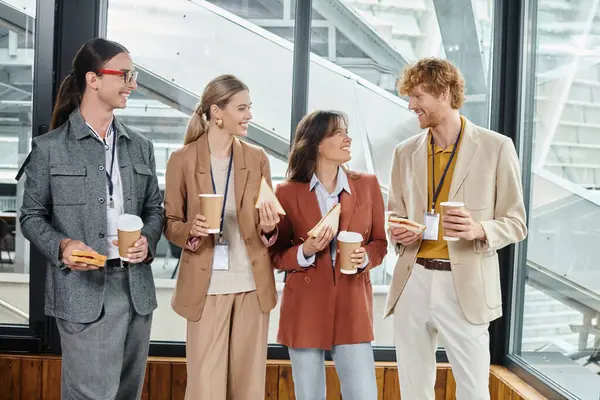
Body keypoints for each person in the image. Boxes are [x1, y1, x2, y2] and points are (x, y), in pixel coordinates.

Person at [19, 38, 164, 399]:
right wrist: (63, 246)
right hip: (83, 295)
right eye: (126, 75)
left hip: (136, 293)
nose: (133, 83)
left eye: (135, 75)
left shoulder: (140, 146)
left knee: (126, 395)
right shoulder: (50, 148)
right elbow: (31, 216)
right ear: (93, 79)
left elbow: (155, 209)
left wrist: (148, 237)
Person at [385, 58, 527, 400]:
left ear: (444, 92)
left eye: (418, 96)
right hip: (413, 279)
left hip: (464, 284)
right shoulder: (404, 152)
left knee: (473, 388)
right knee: (413, 387)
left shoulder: (497, 147)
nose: (411, 105)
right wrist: (399, 232)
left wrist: (478, 228)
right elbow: (394, 214)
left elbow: (516, 222)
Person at [163, 74, 279, 400]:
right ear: (217, 111)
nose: (249, 116)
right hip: (206, 286)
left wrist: (270, 227)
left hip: (251, 286)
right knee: (205, 388)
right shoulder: (181, 160)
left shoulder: (257, 158)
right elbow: (170, 222)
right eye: (242, 108)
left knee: (248, 387)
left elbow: (266, 223)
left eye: (249, 108)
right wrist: (191, 230)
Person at [269, 110, 388, 400]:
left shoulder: (367, 185)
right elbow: (276, 255)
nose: (347, 138)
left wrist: (366, 258)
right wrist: (306, 251)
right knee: (309, 395)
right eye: (337, 133)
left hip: (352, 304)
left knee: (363, 395)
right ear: (316, 143)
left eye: (346, 131)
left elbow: (380, 242)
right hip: (305, 306)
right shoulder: (286, 192)